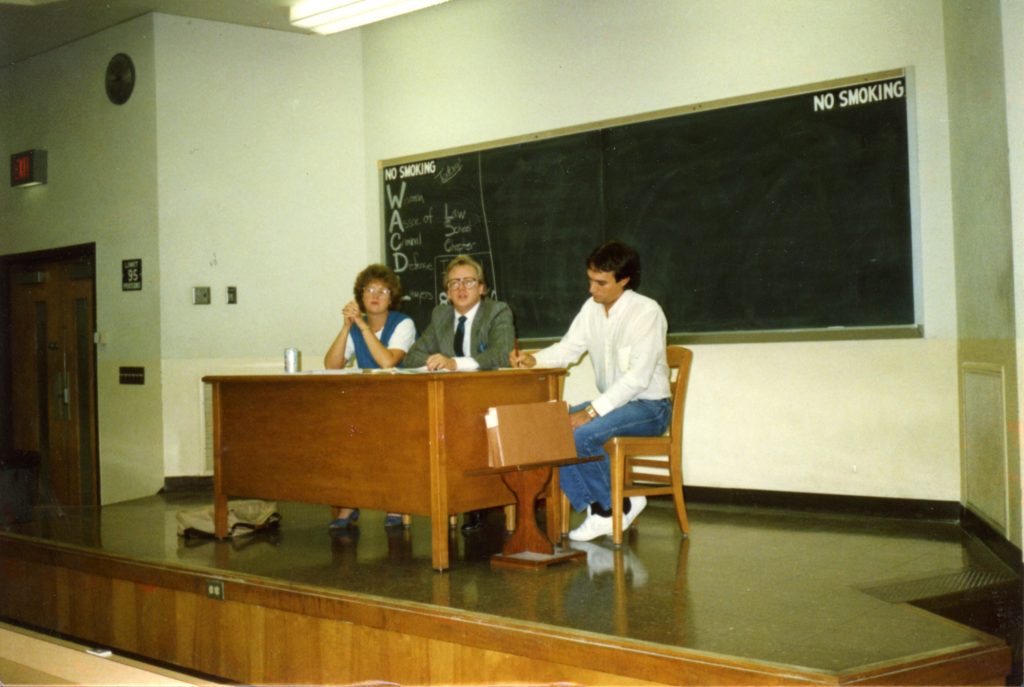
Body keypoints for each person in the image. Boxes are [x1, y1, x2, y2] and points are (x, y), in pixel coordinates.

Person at [509, 241, 670, 542]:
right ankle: (610, 506)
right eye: (590, 280)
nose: (591, 289)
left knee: (581, 434)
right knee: (549, 429)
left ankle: (610, 510)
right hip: (617, 405)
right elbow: (569, 348)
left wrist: (591, 411)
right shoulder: (591, 309)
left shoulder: (646, 312)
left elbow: (637, 379)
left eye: (600, 282)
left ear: (623, 281)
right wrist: (534, 359)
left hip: (650, 408)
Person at [403, 254, 516, 533]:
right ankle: (440, 496)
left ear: (482, 287)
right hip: (450, 399)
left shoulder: (497, 311)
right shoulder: (441, 315)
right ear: (446, 292)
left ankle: (473, 501)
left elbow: (500, 353)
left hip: (489, 396)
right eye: (453, 283)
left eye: (468, 281)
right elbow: (412, 356)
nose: (461, 289)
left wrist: (455, 363)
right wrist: (432, 362)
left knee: (462, 428)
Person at [323, 263, 415, 530]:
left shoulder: (403, 323)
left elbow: (387, 362)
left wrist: (362, 326)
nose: (375, 295)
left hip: (400, 402)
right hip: (365, 402)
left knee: (387, 437)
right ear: (361, 295)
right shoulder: (355, 328)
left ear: (392, 297)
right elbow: (332, 365)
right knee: (345, 435)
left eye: (383, 290)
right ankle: (350, 502)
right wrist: (346, 327)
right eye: (369, 290)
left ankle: (396, 502)